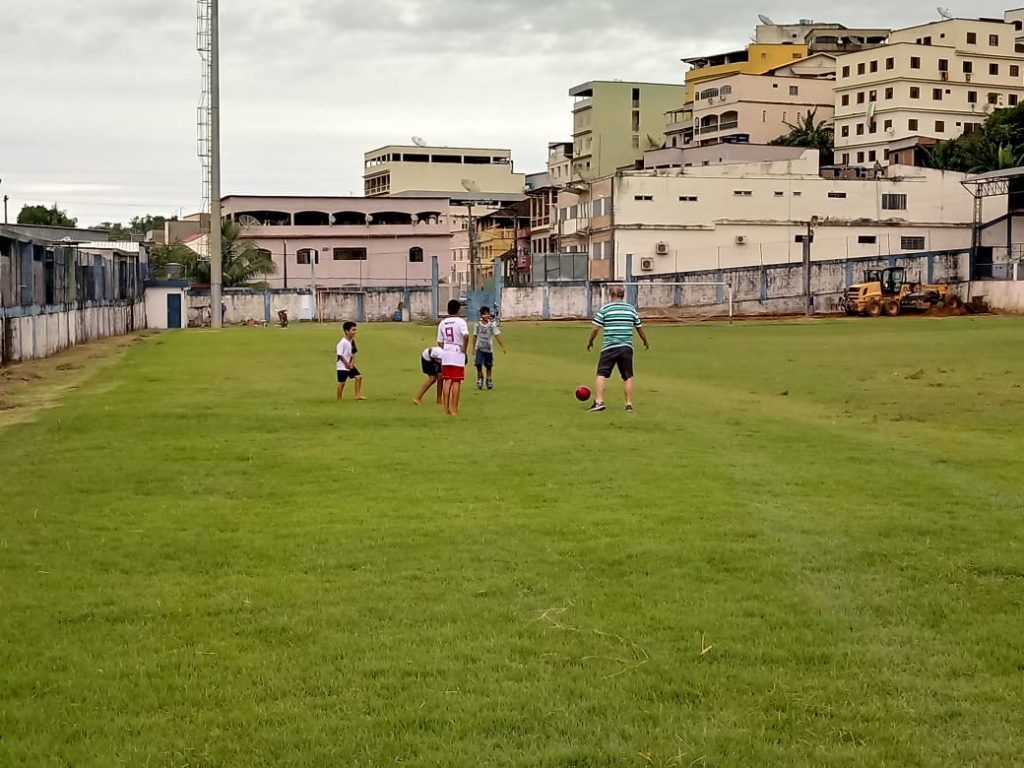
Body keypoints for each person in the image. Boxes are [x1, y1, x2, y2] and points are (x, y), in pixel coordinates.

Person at [586, 285, 649, 412]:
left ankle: (599, 402)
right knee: (627, 376)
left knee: (601, 374)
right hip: (627, 347)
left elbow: (595, 328)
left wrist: (590, 341)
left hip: (610, 346)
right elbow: (639, 327)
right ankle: (629, 404)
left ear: (610, 295)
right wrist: (645, 341)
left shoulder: (605, 309)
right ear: (623, 295)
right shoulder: (631, 309)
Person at [436, 299, 469, 416]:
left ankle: (446, 409)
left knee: (447, 380)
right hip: (457, 353)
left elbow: (439, 342)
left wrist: (445, 348)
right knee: (456, 381)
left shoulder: (442, 323)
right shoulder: (461, 322)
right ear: (458, 310)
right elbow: (465, 335)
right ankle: (454, 409)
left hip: (446, 353)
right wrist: (464, 348)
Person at [471, 306, 506, 390]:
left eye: (488, 314)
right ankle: (480, 377)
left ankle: (489, 379)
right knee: (478, 364)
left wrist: (502, 346)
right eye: (485, 314)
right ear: (481, 315)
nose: (487, 316)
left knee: (489, 366)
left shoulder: (492, 326)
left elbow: (497, 335)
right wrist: (473, 348)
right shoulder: (478, 325)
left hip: (488, 349)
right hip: (479, 348)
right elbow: (475, 336)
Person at [335, 321, 366, 401]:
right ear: (347, 331)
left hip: (349, 364)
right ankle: (339, 399)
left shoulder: (352, 341)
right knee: (342, 383)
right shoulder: (342, 343)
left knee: (359, 377)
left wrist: (352, 363)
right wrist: (346, 364)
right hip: (342, 366)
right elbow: (340, 355)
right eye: (353, 330)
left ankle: (358, 395)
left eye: (355, 330)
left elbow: (353, 353)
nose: (355, 332)